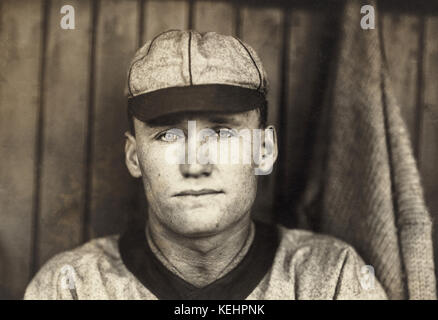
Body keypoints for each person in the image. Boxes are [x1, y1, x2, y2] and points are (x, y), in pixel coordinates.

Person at [24, 30, 387, 300]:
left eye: (221, 133)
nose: (195, 164)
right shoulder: (70, 286)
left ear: (264, 149)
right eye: (168, 135)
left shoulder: (332, 279)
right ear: (134, 157)